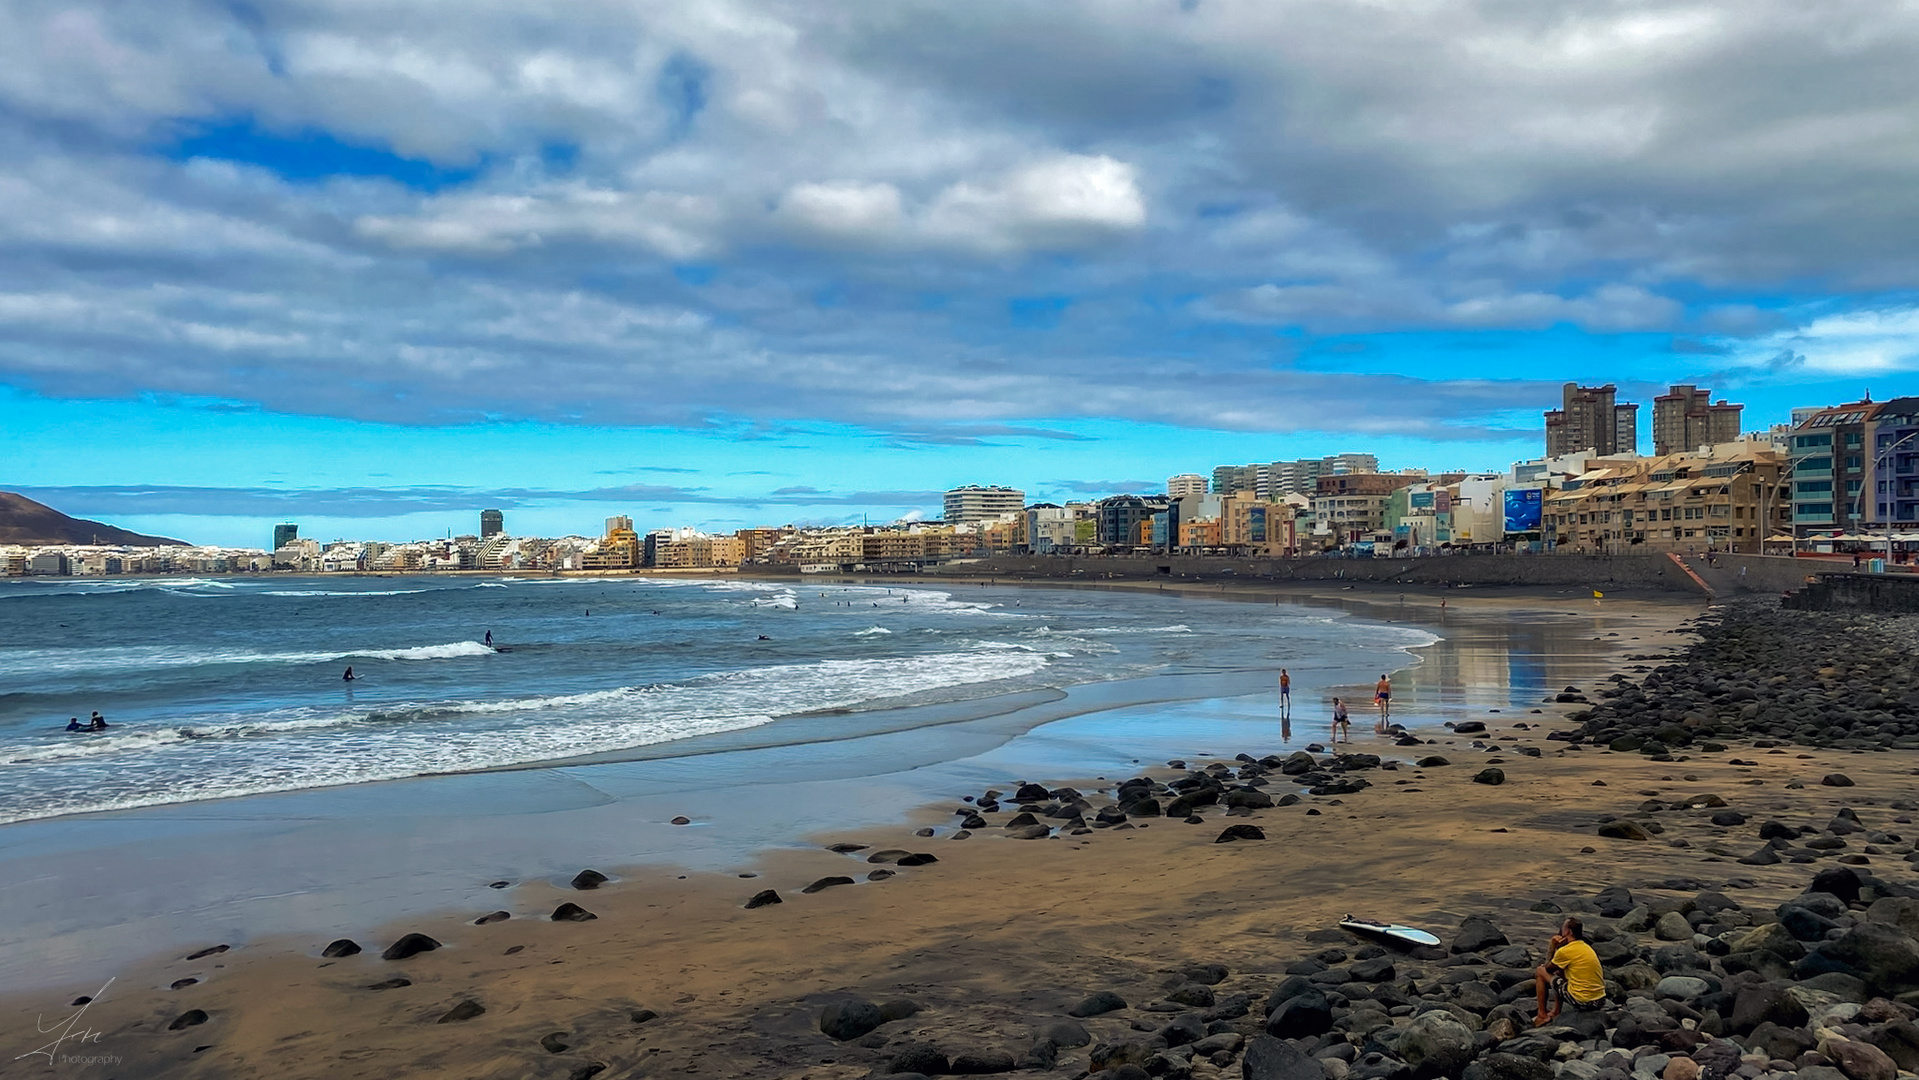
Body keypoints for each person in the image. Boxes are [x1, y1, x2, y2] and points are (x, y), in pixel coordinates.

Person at [1534, 917, 1607, 1027]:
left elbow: (1547, 968)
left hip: (1583, 1001)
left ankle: (1542, 1015)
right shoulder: (1586, 947)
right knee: (1560, 972)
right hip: (1599, 1000)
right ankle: (1555, 1011)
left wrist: (1552, 946)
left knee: (1540, 971)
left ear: (1568, 931)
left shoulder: (1566, 951)